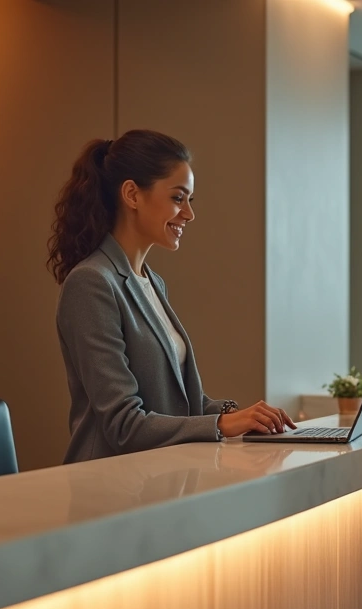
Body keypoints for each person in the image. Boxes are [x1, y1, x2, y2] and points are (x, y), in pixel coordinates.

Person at [49, 129, 295, 464]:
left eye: (189, 201)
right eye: (178, 198)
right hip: (106, 486)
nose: (189, 214)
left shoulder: (152, 282)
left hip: (156, 478)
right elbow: (124, 425)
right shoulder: (91, 283)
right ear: (132, 194)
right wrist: (222, 424)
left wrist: (240, 415)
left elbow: (179, 405)